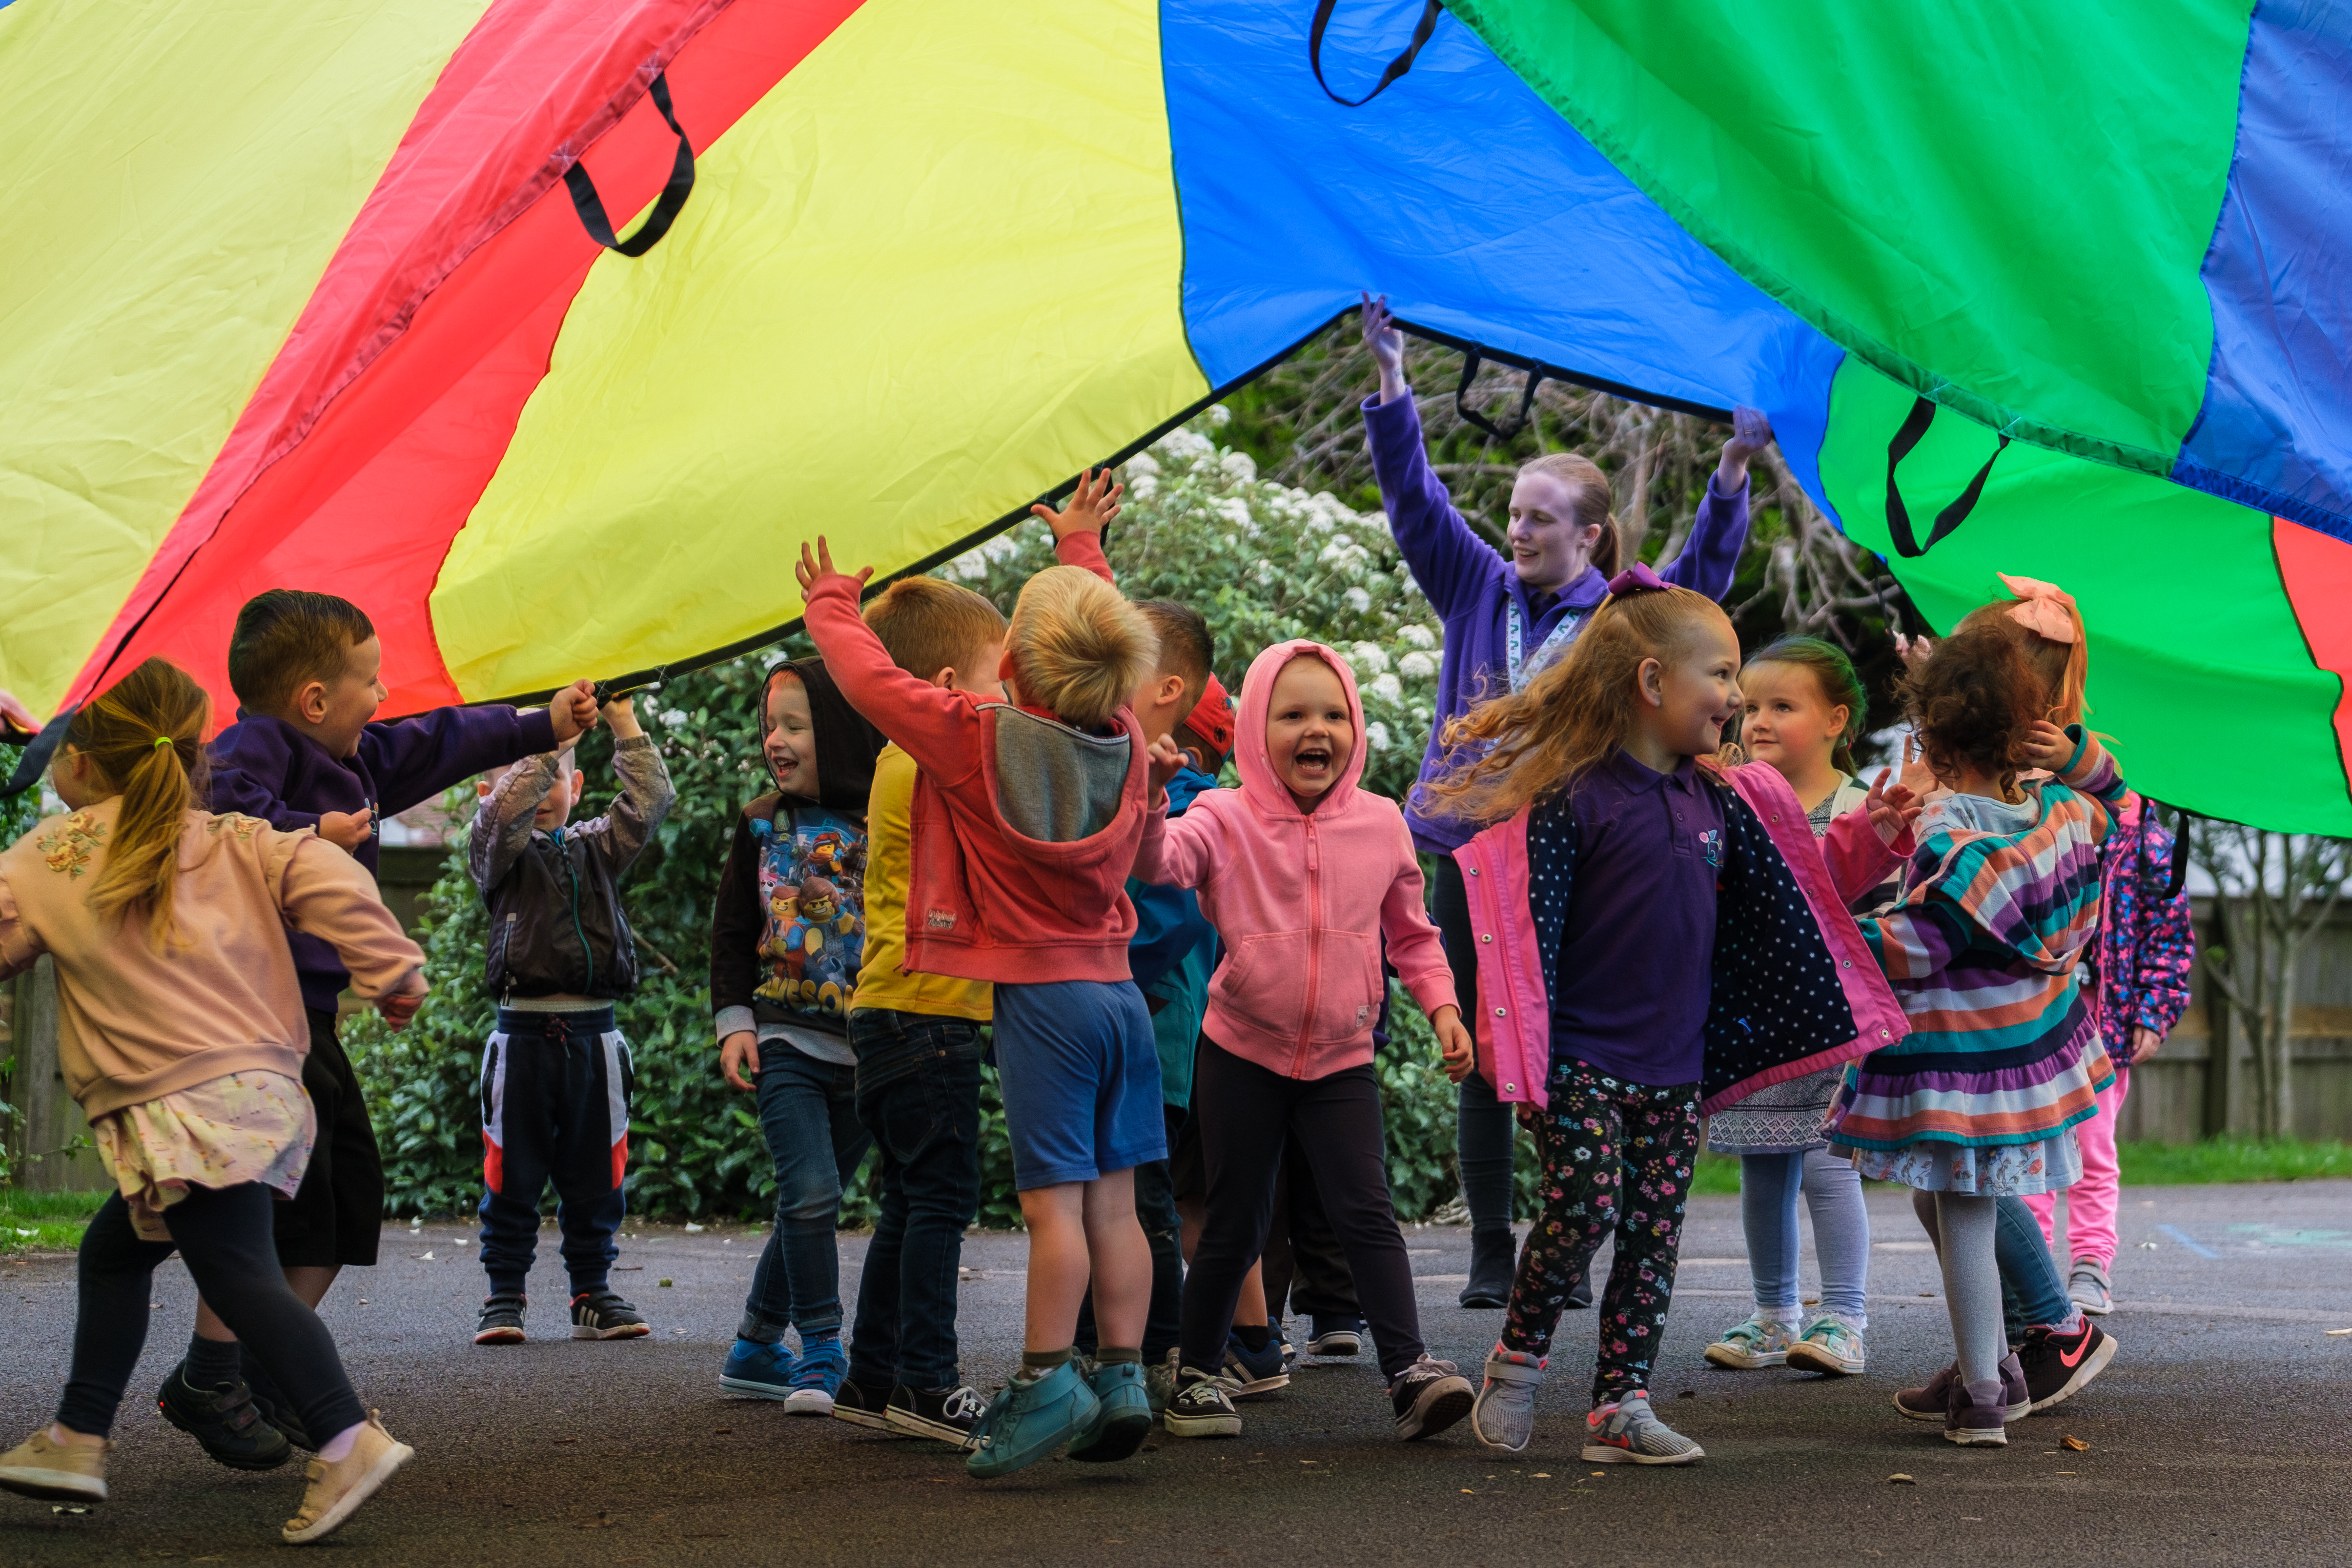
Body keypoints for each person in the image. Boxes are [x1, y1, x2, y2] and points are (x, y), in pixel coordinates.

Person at [1430, 570, 1913, 1462]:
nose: (1733, 698)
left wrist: (1873, 832)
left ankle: (1619, 1405)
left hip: (1672, 1067)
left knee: (1653, 1239)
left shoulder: (1723, 798)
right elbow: (1524, 937)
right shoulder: (1572, 796)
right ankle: (1519, 1357)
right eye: (1720, 676)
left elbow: (1798, 888)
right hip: (1580, 1056)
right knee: (1580, 1209)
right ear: (1652, 683)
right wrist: (1519, 1058)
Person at [1358, 292, 1771, 1308]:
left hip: (1566, 853)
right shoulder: (1473, 586)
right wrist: (1391, 380)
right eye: (1511, 516)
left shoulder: (1619, 617)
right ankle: (1494, 1246)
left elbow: (1696, 593)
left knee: (1558, 1045)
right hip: (1461, 845)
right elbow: (1414, 498)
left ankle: (1566, 1235)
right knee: (1481, 1044)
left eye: (1537, 519)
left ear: (1589, 534)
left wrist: (1730, 474)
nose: (1516, 531)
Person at [0, 659, 424, 1544]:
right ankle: (76, 1436)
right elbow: (328, 873)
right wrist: (389, 967)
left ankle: (346, 1435)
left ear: (79, 763)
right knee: (115, 1254)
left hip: (178, 1113)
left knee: (238, 1272)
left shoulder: (51, 857)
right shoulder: (235, 836)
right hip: (266, 1093)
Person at [181, 590, 597, 1460]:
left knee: (346, 1197)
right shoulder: (252, 749)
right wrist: (309, 831)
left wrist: (540, 722)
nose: (384, 693)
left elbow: (447, 739)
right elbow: (219, 824)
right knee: (256, 1199)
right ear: (314, 700)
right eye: (370, 679)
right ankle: (213, 1371)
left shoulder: (363, 755)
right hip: (253, 1016)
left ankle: (262, 1365)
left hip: (314, 1020)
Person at [800, 501, 1164, 1480]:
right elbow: (1108, 636)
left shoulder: (978, 742)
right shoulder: (1129, 739)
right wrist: (1080, 550)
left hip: (1045, 1004)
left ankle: (1047, 1377)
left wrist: (833, 606)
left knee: (1055, 1210)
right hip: (1123, 997)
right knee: (1116, 1205)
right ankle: (1124, 1372)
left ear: (1022, 670)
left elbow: (879, 683)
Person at [1134, 638, 1480, 1443]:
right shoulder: (1219, 815)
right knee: (1234, 1219)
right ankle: (1194, 1376)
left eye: (1331, 713)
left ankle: (1409, 1371)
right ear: (1256, 728)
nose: (1314, 729)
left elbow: (1413, 935)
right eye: (1291, 714)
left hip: (1338, 1059)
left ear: (1354, 727)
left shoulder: (1379, 823)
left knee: (1366, 1211)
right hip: (1239, 1049)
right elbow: (1159, 866)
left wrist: (1442, 1009)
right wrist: (1150, 797)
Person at [1830, 618, 2126, 1447]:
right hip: (2023, 1051)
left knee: (1960, 1204)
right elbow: (2113, 796)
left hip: (1953, 1059)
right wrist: (2073, 755)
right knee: (1944, 1195)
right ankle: (1988, 1363)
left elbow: (1922, 944)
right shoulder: (2061, 810)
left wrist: (1833, 934)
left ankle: (1983, 1391)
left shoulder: (1949, 835)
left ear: (1929, 736)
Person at [822, 581, 1006, 1445]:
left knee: (906, 1198)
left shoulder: (901, 761)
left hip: (888, 1010)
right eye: (997, 681)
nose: (1007, 701)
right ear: (944, 687)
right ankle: (928, 1380)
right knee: (940, 1196)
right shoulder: (937, 759)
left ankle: (871, 1373)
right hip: (927, 1016)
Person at [1701, 637, 1885, 1378]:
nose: (1759, 722)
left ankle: (1843, 1316)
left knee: (1826, 1162)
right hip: (1757, 1018)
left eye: (1783, 705)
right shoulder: (1725, 796)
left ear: (1837, 719)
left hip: (1835, 1018)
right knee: (1761, 1161)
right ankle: (1773, 1315)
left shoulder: (1863, 805)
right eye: (1748, 707)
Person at [469, 694, 674, 1347]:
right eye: (522, 775)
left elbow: (651, 802)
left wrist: (620, 720)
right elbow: (505, 817)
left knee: (598, 1175)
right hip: (521, 1040)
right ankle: (504, 1294)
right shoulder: (496, 853)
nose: (540, 789)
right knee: (512, 1174)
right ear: (487, 790)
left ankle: (592, 1290)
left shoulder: (597, 849)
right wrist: (550, 740)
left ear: (577, 785)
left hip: (595, 1039)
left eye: (556, 775)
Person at [711, 659, 885, 1413]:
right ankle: (820, 1349)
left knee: (812, 1202)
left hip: (869, 1048)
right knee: (810, 1191)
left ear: (839, 732)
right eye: (767, 726)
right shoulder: (760, 823)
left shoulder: (886, 821)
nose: (774, 740)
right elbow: (729, 932)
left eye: (793, 724)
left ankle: (754, 1346)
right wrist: (734, 1024)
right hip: (783, 1039)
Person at [1076, 610, 1227, 1407]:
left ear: (1165, 687)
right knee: (1087, 1187)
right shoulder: (1099, 772)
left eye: (1114, 662)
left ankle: (1165, 1354)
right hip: (1089, 1020)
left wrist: (1084, 943)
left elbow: (1170, 922)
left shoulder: (1195, 800)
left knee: (1143, 1197)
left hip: (1153, 1032)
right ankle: (1082, 1351)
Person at [2027, 791, 2191, 1312]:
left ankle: (2091, 1265)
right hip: (2039, 1018)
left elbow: (2168, 938)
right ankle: (2026, 1269)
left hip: (2109, 1022)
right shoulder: (2041, 824)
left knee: (2092, 1151)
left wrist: (2152, 1014)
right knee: (2033, 1148)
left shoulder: (2151, 846)